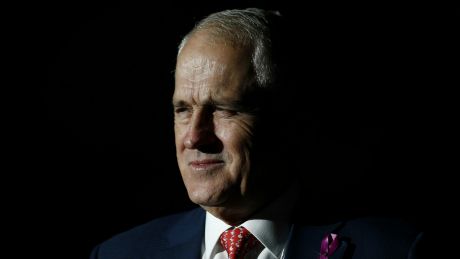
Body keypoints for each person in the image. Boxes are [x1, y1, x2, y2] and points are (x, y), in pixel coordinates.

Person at [90, 8, 426, 259]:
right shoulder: (118, 254)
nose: (194, 137)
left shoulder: (393, 250)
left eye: (224, 108)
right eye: (183, 110)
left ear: (286, 115)